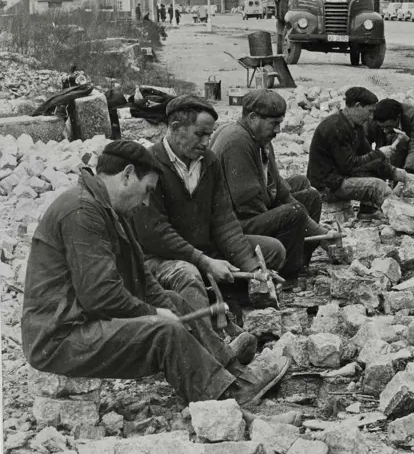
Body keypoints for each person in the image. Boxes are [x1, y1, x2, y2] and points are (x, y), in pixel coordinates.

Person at [21, 141, 288, 406]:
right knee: (164, 330)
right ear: (127, 175)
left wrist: (163, 306)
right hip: (59, 338)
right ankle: (225, 394)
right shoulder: (82, 211)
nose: (147, 201)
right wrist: (153, 313)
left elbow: (143, 280)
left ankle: (234, 372)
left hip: (82, 322)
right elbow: (100, 295)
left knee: (174, 300)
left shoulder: (110, 209)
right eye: (147, 190)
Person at [132, 96, 287, 322]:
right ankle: (205, 329)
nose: (206, 142)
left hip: (205, 251)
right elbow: (156, 233)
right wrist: (203, 261)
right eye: (200, 134)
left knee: (273, 251)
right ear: (175, 128)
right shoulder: (150, 163)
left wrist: (253, 269)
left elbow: (224, 221)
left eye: (209, 134)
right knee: (188, 274)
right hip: (162, 258)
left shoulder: (209, 161)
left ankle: (224, 294)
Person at [211, 89, 339, 278]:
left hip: (252, 209)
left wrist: (320, 232)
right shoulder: (237, 142)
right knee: (294, 212)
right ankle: (287, 274)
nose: (278, 130)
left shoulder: (259, 137)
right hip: (235, 222)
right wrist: (288, 215)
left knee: (309, 196)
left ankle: (301, 260)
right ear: (253, 118)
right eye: (274, 124)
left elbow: (279, 188)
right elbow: (248, 206)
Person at [307, 87, 414, 211]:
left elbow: (369, 159)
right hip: (327, 186)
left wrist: (402, 175)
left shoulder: (356, 126)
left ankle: (368, 212)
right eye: (369, 111)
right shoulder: (335, 127)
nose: (371, 117)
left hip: (340, 178)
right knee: (377, 186)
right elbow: (350, 166)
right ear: (357, 106)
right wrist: (379, 154)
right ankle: (403, 215)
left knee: (375, 166)